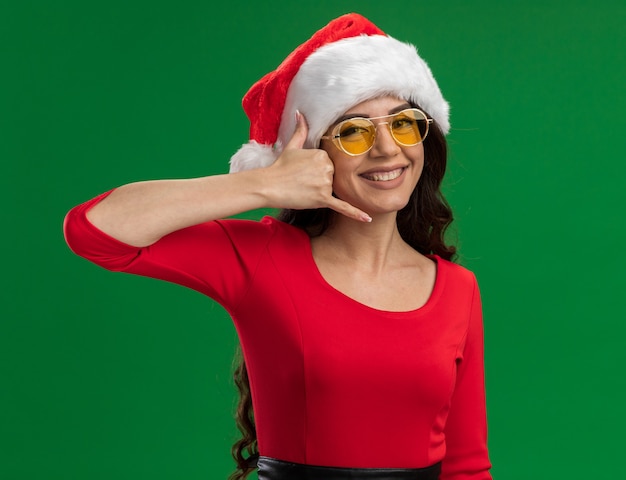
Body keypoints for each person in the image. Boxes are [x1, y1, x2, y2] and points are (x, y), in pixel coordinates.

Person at [63, 12, 492, 480]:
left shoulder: (457, 289)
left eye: (404, 124)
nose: (388, 149)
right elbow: (94, 230)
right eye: (353, 132)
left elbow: (467, 465)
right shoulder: (262, 257)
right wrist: (264, 185)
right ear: (313, 156)